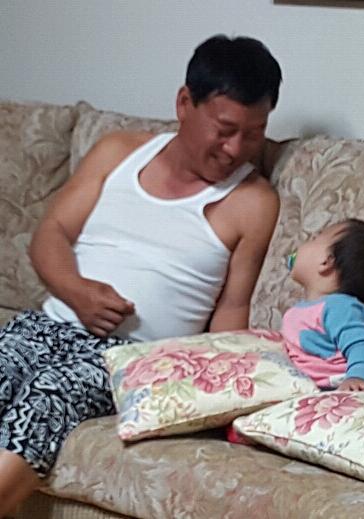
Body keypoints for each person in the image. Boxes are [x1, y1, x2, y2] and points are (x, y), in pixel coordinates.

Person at [0, 34, 282, 515]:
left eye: (254, 133)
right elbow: (50, 233)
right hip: (46, 326)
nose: (236, 148)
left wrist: (221, 400)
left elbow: (231, 312)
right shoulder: (118, 152)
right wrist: (77, 292)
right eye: (225, 129)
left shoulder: (253, 203)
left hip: (129, 362)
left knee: (49, 396)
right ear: (184, 103)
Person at [282, 219, 364, 391]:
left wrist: (358, 378)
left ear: (326, 261)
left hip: (337, 387)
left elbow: (362, 345)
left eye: (315, 238)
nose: (304, 243)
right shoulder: (299, 310)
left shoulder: (340, 307)